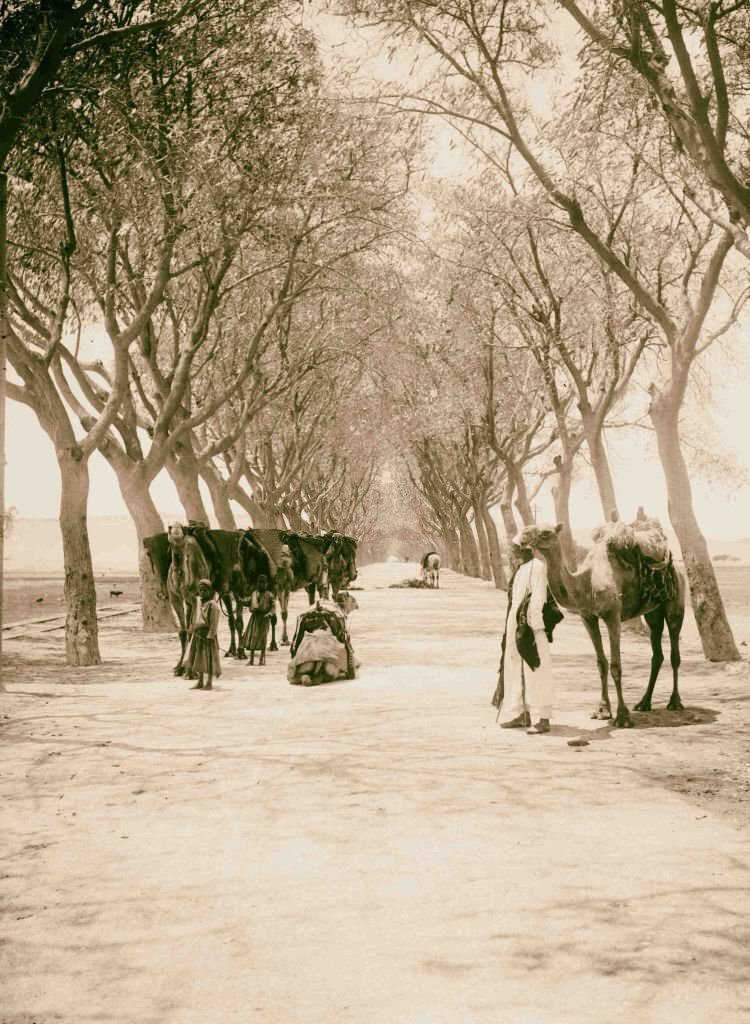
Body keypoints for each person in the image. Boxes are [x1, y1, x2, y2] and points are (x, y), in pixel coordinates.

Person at [495, 537, 563, 735]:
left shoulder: (537, 567)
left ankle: (543, 719)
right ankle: (522, 713)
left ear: (524, 549)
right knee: (517, 668)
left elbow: (539, 597)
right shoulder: (521, 569)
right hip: (517, 624)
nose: (511, 553)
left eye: (514, 549)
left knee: (537, 668)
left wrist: (534, 628)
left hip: (532, 627)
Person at [287, 592, 359, 686]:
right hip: (326, 649)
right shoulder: (338, 615)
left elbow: (296, 640)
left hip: (308, 647)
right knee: (339, 664)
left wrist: (294, 657)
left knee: (300, 666)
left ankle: (304, 675)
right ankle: (321, 676)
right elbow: (344, 640)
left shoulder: (307, 614)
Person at [187, 578, 221, 691]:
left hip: (207, 635)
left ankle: (209, 682)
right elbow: (194, 618)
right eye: (200, 590)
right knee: (198, 658)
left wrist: (211, 635)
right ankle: (200, 681)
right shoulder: (198, 603)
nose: (202, 592)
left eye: (204, 590)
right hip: (198, 634)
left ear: (210, 591)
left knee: (209, 658)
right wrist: (191, 629)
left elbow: (214, 622)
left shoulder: (212, 605)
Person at [241, 575, 276, 666]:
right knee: (253, 637)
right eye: (260, 583)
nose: (261, 585)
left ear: (266, 584)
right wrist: (240, 600)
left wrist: (269, 614)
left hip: (264, 618)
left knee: (263, 638)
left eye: (263, 583)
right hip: (254, 618)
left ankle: (262, 659)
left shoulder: (269, 595)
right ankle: (251, 660)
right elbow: (248, 601)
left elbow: (273, 607)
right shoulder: (254, 593)